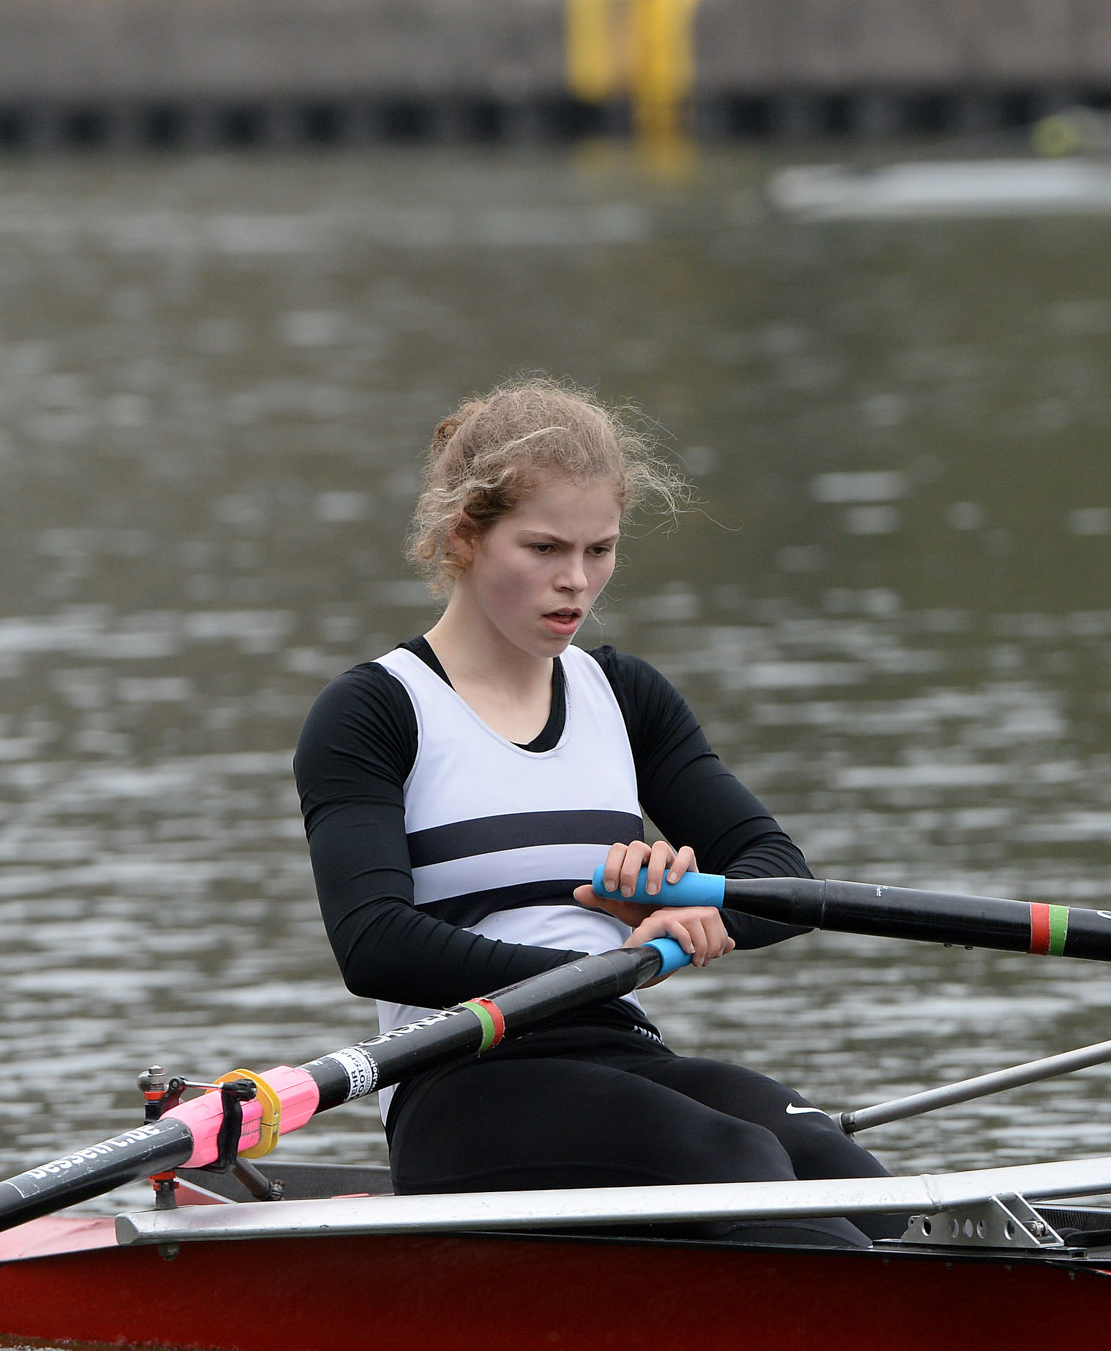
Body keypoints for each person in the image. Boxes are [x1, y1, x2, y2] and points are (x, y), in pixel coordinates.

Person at [293, 376, 897, 1247]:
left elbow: (781, 878)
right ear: (464, 536)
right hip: (462, 1086)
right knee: (735, 1159)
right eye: (542, 549)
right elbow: (373, 942)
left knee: (834, 1160)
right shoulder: (375, 712)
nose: (575, 583)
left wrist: (690, 906)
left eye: (600, 550)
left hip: (621, 1051)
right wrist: (591, 971)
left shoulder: (625, 695)